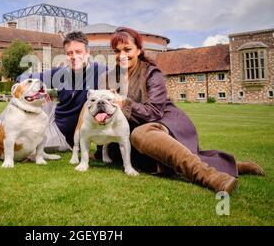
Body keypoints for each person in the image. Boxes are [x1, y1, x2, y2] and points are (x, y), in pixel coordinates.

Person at [96, 27, 264, 193]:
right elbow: (100, 112)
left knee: (140, 134)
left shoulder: (151, 73)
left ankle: (210, 177)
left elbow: (153, 112)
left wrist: (124, 103)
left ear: (139, 50)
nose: (122, 56)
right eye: (117, 51)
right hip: (129, 131)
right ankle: (232, 165)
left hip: (162, 122)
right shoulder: (108, 78)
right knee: (128, 150)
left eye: (127, 49)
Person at [0, 31, 106, 151]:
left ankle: (2, 141)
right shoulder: (61, 72)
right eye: (69, 53)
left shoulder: (100, 72)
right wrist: (42, 92)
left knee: (25, 144)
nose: (74, 57)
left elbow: (119, 79)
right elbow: (24, 78)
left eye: (78, 52)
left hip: (64, 135)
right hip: (52, 116)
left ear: (88, 53)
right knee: (25, 93)